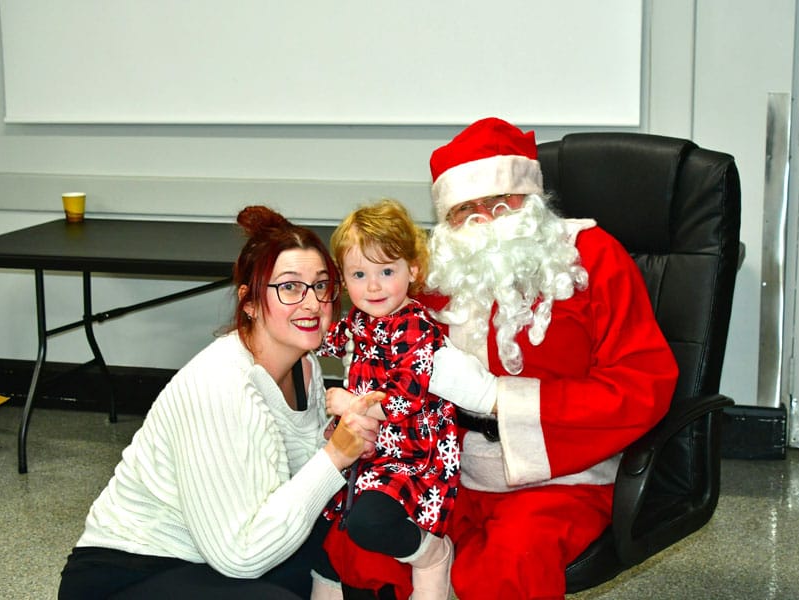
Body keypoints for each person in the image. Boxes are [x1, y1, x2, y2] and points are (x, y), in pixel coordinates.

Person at [343, 117, 679, 600]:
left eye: (501, 203)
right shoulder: (434, 274)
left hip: (563, 477)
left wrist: (499, 399)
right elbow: (393, 358)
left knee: (507, 569)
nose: (486, 218)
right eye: (466, 211)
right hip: (450, 469)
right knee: (364, 548)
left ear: (533, 201)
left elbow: (643, 385)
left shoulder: (594, 258)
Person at [57, 206, 383, 600]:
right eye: (290, 287)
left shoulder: (306, 367)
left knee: (365, 566)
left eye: (321, 285)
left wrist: (337, 444)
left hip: (214, 556)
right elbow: (240, 556)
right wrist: (333, 457)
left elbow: (289, 491)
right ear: (248, 302)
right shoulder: (222, 383)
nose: (312, 303)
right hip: (129, 572)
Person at [312, 199, 458, 600]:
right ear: (343, 279)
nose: (372, 286)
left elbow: (403, 399)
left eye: (386, 271)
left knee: (368, 523)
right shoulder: (359, 320)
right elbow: (321, 341)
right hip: (369, 447)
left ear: (412, 270)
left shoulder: (417, 325)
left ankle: (431, 556)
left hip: (413, 453)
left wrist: (348, 404)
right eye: (359, 274)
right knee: (321, 520)